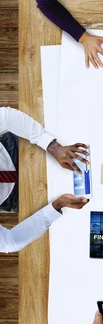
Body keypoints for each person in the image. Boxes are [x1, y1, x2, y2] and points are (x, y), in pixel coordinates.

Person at [0, 107, 89, 253]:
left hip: (20, 149)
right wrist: (56, 205)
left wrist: (52, 146)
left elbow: (4, 117)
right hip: (22, 196)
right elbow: (10, 242)